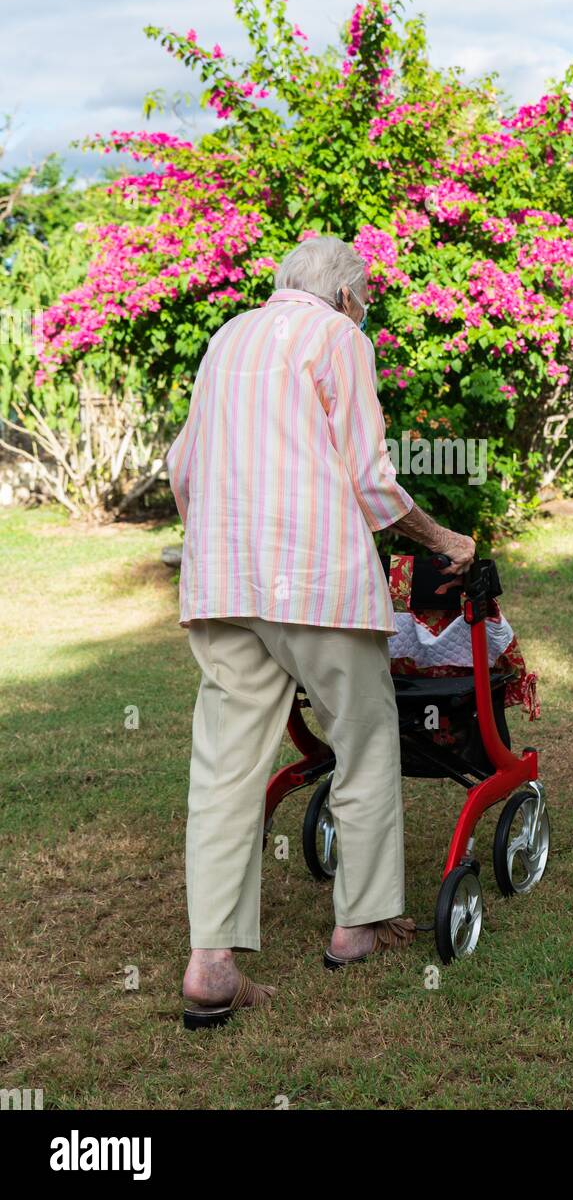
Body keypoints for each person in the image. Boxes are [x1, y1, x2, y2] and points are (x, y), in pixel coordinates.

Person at [166, 235, 476, 1027]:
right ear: (345, 295)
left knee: (224, 770)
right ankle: (355, 927)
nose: (366, 309)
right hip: (317, 582)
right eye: (366, 297)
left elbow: (183, 469)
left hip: (223, 583)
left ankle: (210, 964)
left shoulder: (225, 336)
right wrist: (445, 543)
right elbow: (371, 479)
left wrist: (218, 545)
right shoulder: (340, 338)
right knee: (365, 743)